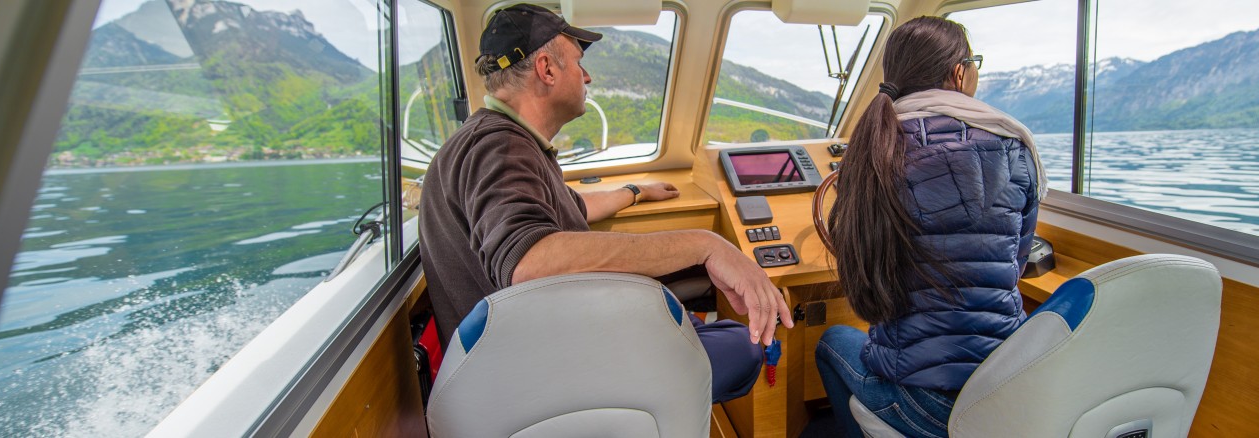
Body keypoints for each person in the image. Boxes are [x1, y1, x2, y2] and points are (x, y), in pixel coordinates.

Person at [419, 3, 793, 403]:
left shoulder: (505, 142)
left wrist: (634, 192)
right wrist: (707, 244)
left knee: (711, 329)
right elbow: (528, 261)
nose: (588, 76)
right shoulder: (498, 147)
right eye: (579, 63)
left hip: (533, 353)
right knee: (743, 347)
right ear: (546, 69)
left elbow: (571, 208)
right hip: (537, 380)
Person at [814, 16, 1047, 437]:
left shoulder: (873, 150)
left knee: (832, 342)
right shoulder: (1016, 146)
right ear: (960, 73)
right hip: (1005, 389)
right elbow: (1016, 261)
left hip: (922, 404)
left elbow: (861, 279)